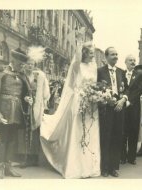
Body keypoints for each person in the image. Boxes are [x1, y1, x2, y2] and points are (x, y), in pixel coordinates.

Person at [40, 29, 101, 179]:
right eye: (91, 53)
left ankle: (89, 166)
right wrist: (79, 41)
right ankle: (75, 166)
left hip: (92, 103)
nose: (93, 56)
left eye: (93, 53)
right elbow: (74, 84)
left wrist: (95, 94)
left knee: (91, 132)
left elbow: (95, 84)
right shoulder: (76, 66)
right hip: (79, 100)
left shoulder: (94, 67)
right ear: (84, 53)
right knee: (78, 130)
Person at [0, 48, 33, 179]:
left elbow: (25, 93)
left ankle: (9, 166)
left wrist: (28, 99)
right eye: (21, 64)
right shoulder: (1, 73)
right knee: (3, 140)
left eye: (24, 65)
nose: (23, 67)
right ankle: (0, 168)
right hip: (3, 113)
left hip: (17, 113)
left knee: (13, 141)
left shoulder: (22, 76)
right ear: (13, 62)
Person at [97, 47, 129, 177]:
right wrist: (106, 98)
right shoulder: (99, 71)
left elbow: (127, 89)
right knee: (106, 137)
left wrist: (123, 99)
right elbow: (97, 87)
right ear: (106, 57)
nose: (115, 56)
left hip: (119, 109)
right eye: (112, 54)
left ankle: (113, 167)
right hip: (106, 109)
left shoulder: (121, 72)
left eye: (117, 54)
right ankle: (104, 167)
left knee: (117, 137)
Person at [16, 56, 50, 168]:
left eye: (32, 64)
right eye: (28, 64)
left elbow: (46, 93)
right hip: (23, 106)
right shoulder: (21, 76)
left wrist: (40, 102)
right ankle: (24, 157)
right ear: (25, 64)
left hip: (36, 107)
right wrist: (24, 98)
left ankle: (34, 158)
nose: (30, 66)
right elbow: (18, 90)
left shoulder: (40, 76)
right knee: (24, 131)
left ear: (34, 65)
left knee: (35, 131)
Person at [121, 55, 142, 165]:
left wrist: (129, 100)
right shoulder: (121, 73)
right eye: (130, 60)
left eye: (134, 60)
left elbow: (139, 89)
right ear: (125, 62)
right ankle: (122, 156)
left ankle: (131, 157)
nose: (132, 62)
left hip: (134, 105)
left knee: (133, 130)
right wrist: (124, 100)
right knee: (123, 131)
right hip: (123, 105)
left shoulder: (140, 74)